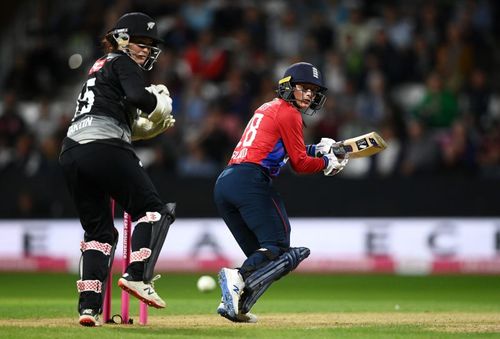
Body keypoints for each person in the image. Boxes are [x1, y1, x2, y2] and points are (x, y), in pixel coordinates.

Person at [59, 12, 176, 327]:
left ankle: (89, 309)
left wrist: (142, 128)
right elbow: (138, 97)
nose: (146, 50)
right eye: (141, 42)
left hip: (72, 150)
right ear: (123, 39)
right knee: (153, 211)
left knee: (98, 233)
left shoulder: (98, 66)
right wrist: (157, 105)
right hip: (105, 146)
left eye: (151, 44)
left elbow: (112, 112)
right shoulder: (123, 62)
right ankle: (137, 276)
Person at [213, 62, 349, 323]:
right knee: (278, 247)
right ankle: (236, 278)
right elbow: (298, 163)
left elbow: (281, 148)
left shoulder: (269, 107)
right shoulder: (289, 113)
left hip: (226, 183)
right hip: (250, 180)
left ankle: (234, 303)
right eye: (304, 88)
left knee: (266, 260)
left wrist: (318, 149)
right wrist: (326, 163)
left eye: (314, 90)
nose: (309, 94)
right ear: (288, 87)